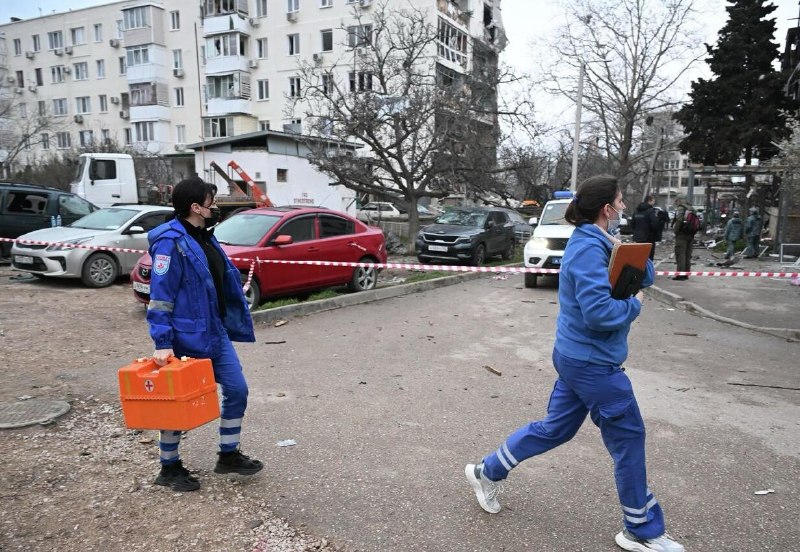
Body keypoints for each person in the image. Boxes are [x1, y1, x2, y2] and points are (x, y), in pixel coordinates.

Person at [464, 175, 684, 552]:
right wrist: (634, 306)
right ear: (607, 209)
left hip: (579, 358)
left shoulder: (601, 242)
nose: (625, 207)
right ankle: (641, 530)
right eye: (620, 202)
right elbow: (599, 313)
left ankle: (487, 471)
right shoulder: (586, 249)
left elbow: (641, 276)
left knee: (555, 429)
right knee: (629, 438)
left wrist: (625, 250)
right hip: (593, 364)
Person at [146, 177, 262, 492]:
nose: (216, 207)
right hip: (185, 337)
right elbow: (160, 297)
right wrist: (162, 342)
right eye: (212, 202)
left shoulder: (205, 237)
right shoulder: (170, 242)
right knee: (178, 403)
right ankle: (169, 467)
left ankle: (228, 455)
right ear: (196, 207)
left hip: (215, 332)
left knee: (237, 390)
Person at [671, 194, 695, 281]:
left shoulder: (681, 208)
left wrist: (675, 232)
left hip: (682, 235)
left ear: (679, 200)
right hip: (691, 234)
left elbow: (679, 220)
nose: (675, 203)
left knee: (680, 254)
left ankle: (680, 275)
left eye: (676, 201)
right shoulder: (692, 208)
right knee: (688, 255)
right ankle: (686, 274)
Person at [632, 195, 660, 260]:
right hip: (649, 238)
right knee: (649, 258)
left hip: (638, 238)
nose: (654, 203)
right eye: (653, 201)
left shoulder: (636, 211)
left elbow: (632, 224)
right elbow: (655, 224)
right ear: (649, 201)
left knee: (639, 257)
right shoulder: (651, 211)